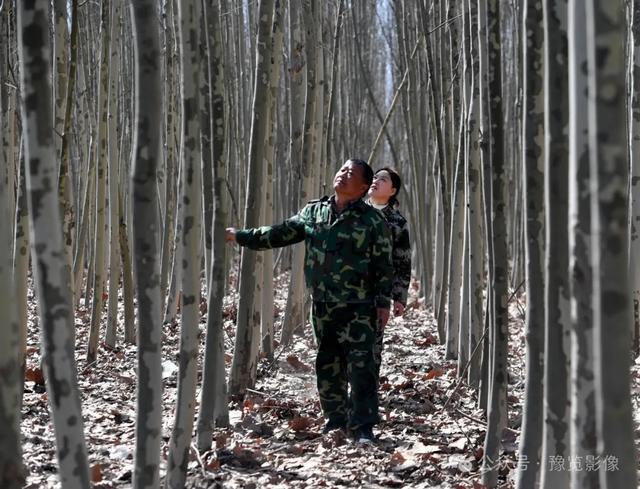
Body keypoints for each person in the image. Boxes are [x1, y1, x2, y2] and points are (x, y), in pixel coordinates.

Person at [225, 159, 393, 443]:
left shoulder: (372, 220)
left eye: (351, 173)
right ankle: (335, 421)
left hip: (359, 307)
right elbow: (279, 233)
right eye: (341, 169)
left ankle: (363, 426)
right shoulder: (314, 212)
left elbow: (383, 264)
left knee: (362, 366)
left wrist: (383, 302)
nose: (343, 174)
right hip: (324, 305)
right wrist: (241, 236)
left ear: (364, 186)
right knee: (328, 365)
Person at [367, 167, 411, 380]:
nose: (375, 181)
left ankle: (368, 393)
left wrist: (399, 297)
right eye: (374, 177)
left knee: (373, 344)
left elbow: (402, 261)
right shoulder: (353, 210)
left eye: (382, 179)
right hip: (345, 288)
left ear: (392, 191)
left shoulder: (397, 222)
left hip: (377, 293)